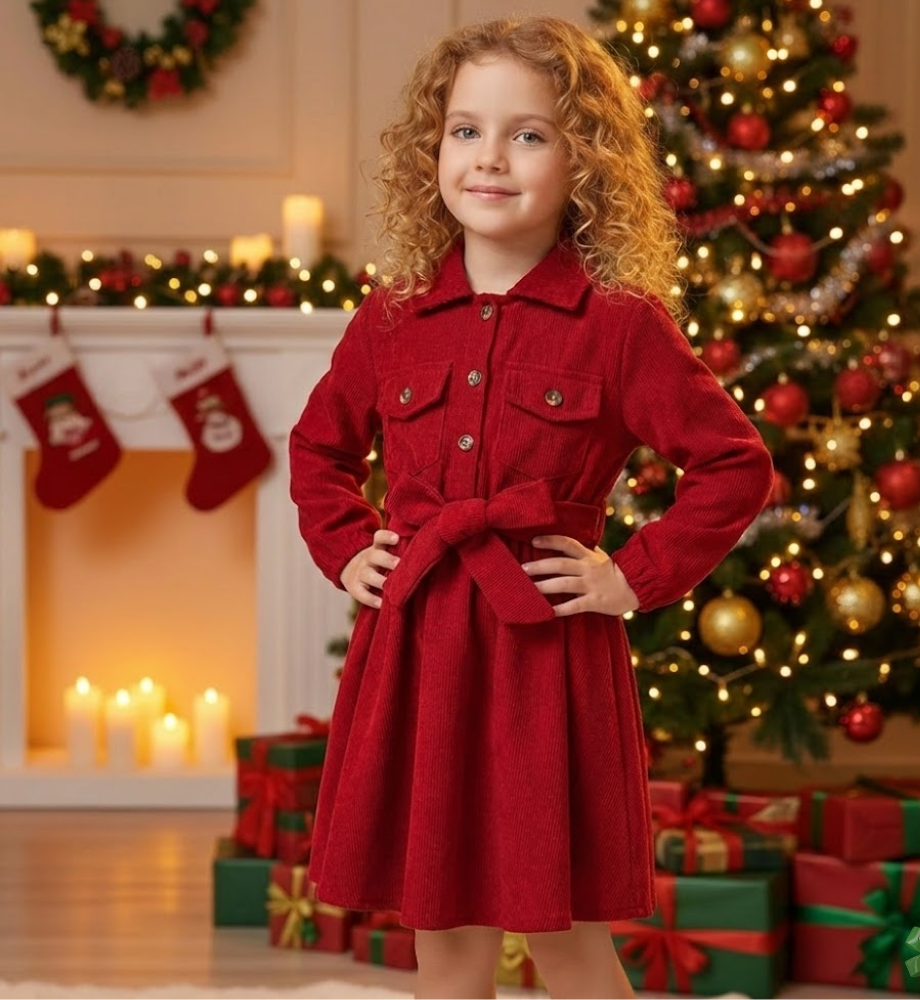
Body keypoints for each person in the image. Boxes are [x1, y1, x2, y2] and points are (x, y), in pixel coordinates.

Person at [289, 14, 773, 1000]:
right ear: (431, 150)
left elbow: (734, 465)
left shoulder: (619, 325)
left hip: (544, 656)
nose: (490, 159)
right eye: (465, 130)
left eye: (529, 134)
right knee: (447, 931)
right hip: (419, 649)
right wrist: (345, 547)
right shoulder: (389, 319)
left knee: (564, 934)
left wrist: (625, 576)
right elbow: (318, 451)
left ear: (582, 158)